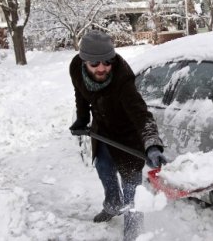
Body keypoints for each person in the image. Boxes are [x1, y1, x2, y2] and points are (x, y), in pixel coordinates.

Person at [68, 30, 167, 241]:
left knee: (133, 194)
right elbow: (81, 92)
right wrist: (82, 118)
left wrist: (151, 144)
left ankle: (133, 235)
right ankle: (112, 204)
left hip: (127, 137)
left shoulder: (122, 79)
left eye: (107, 62)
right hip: (102, 133)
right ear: (84, 61)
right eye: (95, 64)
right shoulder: (76, 68)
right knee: (105, 171)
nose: (102, 68)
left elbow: (141, 114)